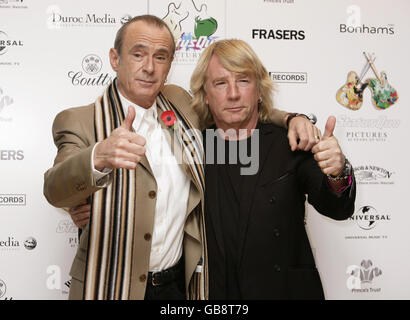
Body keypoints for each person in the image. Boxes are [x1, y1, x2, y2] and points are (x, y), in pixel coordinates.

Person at [43, 15, 321, 300]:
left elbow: (236, 107)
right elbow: (55, 188)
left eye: (160, 57)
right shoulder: (79, 120)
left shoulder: (180, 104)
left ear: (169, 65)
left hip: (178, 287)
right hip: (110, 287)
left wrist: (291, 118)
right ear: (115, 59)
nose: (149, 67)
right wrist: (96, 159)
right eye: (138, 54)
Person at [189, 39, 356, 299]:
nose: (233, 93)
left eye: (243, 81)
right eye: (220, 83)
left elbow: (338, 207)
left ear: (259, 89)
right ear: (205, 95)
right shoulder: (193, 148)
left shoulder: (291, 141)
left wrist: (338, 173)